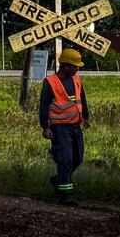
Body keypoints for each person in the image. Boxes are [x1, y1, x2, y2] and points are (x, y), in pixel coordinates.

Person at [40, 47, 90, 205]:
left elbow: (82, 99)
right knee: (65, 159)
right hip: (59, 128)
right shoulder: (50, 82)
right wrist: (45, 127)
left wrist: (86, 117)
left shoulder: (76, 79)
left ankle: (59, 179)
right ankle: (66, 194)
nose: (77, 69)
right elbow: (43, 106)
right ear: (65, 66)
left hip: (76, 125)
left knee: (77, 158)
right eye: (75, 66)